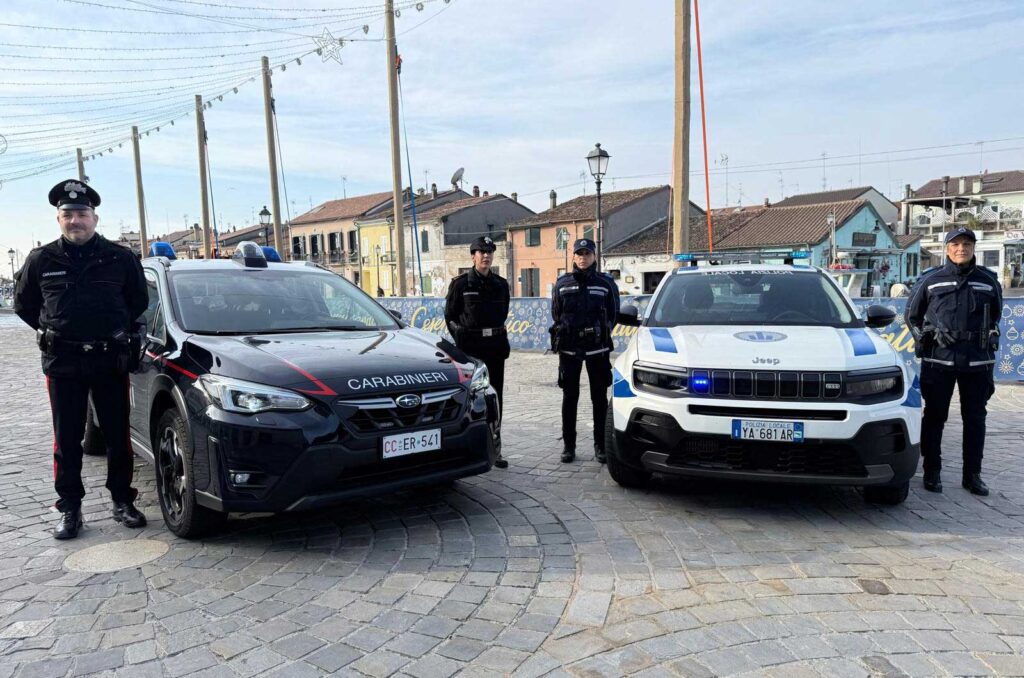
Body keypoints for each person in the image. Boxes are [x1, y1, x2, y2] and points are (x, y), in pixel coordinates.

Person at [13, 179, 149, 539]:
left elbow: (138, 301)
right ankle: (69, 509)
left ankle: (123, 500)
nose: (76, 221)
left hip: (109, 360)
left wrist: (115, 329)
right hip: (64, 362)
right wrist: (52, 330)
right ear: (59, 219)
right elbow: (24, 306)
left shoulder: (119, 258)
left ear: (95, 218)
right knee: (67, 438)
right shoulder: (42, 260)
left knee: (118, 436)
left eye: (82, 214)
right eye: (68, 214)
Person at [907, 226, 1002, 496]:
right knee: (935, 417)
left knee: (975, 419)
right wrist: (926, 334)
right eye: (956, 244)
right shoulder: (931, 279)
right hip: (940, 360)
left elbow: (996, 313)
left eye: (967, 244)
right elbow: (912, 317)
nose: (961, 249)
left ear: (974, 248)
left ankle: (973, 475)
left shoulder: (988, 280)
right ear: (946, 248)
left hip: (977, 361)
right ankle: (932, 472)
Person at [550, 238, 619, 464]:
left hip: (597, 351)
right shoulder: (561, 284)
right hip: (569, 351)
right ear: (573, 256)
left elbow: (614, 314)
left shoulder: (606, 283)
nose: (583, 258)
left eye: (587, 254)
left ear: (594, 256)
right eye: (579, 254)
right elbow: (556, 314)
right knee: (570, 398)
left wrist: (600, 332)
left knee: (599, 399)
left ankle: (600, 446)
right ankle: (569, 446)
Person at [445, 235, 509, 469]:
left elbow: (503, 313)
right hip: (471, 350)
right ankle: (467, 446)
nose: (486, 256)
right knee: (469, 398)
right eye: (481, 252)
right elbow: (450, 316)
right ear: (473, 256)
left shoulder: (501, 284)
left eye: (490, 252)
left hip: (495, 348)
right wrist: (460, 339)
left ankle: (496, 447)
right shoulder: (461, 284)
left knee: (495, 398)